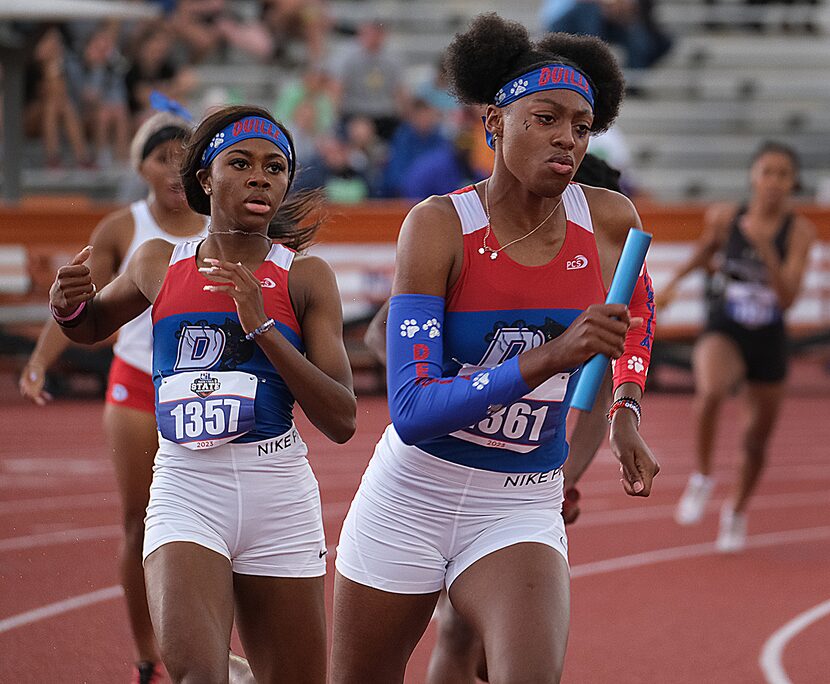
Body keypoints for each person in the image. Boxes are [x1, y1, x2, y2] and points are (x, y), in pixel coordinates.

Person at [331, 14, 658, 683]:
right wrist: (550, 357)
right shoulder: (438, 226)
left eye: (581, 124)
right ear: (494, 121)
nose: (567, 136)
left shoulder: (611, 220)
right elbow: (414, 410)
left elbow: (636, 318)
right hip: (412, 493)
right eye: (546, 117)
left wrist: (625, 409)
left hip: (518, 499)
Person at [47, 104, 357, 683]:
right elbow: (89, 327)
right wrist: (65, 308)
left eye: (275, 167)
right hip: (188, 485)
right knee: (197, 674)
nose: (260, 176)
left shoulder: (305, 278)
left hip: (277, 493)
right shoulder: (158, 263)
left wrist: (263, 327)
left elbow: (341, 418)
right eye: (240, 163)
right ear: (204, 178)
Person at [363, 152, 619, 683]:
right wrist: (463, 391)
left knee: (477, 645)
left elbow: (596, 396)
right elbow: (389, 358)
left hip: (520, 494)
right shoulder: (449, 231)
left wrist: (574, 472)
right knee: (444, 644)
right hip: (416, 487)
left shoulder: (604, 249)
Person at [20, 108, 208, 683]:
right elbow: (81, 308)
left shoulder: (219, 225)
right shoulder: (122, 228)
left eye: (185, 156)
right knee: (138, 521)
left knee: (212, 521)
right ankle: (147, 654)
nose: (175, 170)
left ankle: (208, 640)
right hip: (134, 385)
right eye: (161, 158)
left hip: (201, 388)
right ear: (141, 167)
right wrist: (39, 360)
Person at [666, 141, 815, 552]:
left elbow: (787, 298)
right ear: (753, 176)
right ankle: (702, 476)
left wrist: (766, 250)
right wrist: (674, 283)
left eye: (784, 174)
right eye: (767, 172)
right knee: (711, 389)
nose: (774, 182)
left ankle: (736, 511)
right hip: (726, 327)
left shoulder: (799, 231)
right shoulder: (726, 216)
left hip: (768, 338)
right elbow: (704, 251)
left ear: (793, 182)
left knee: (755, 441)